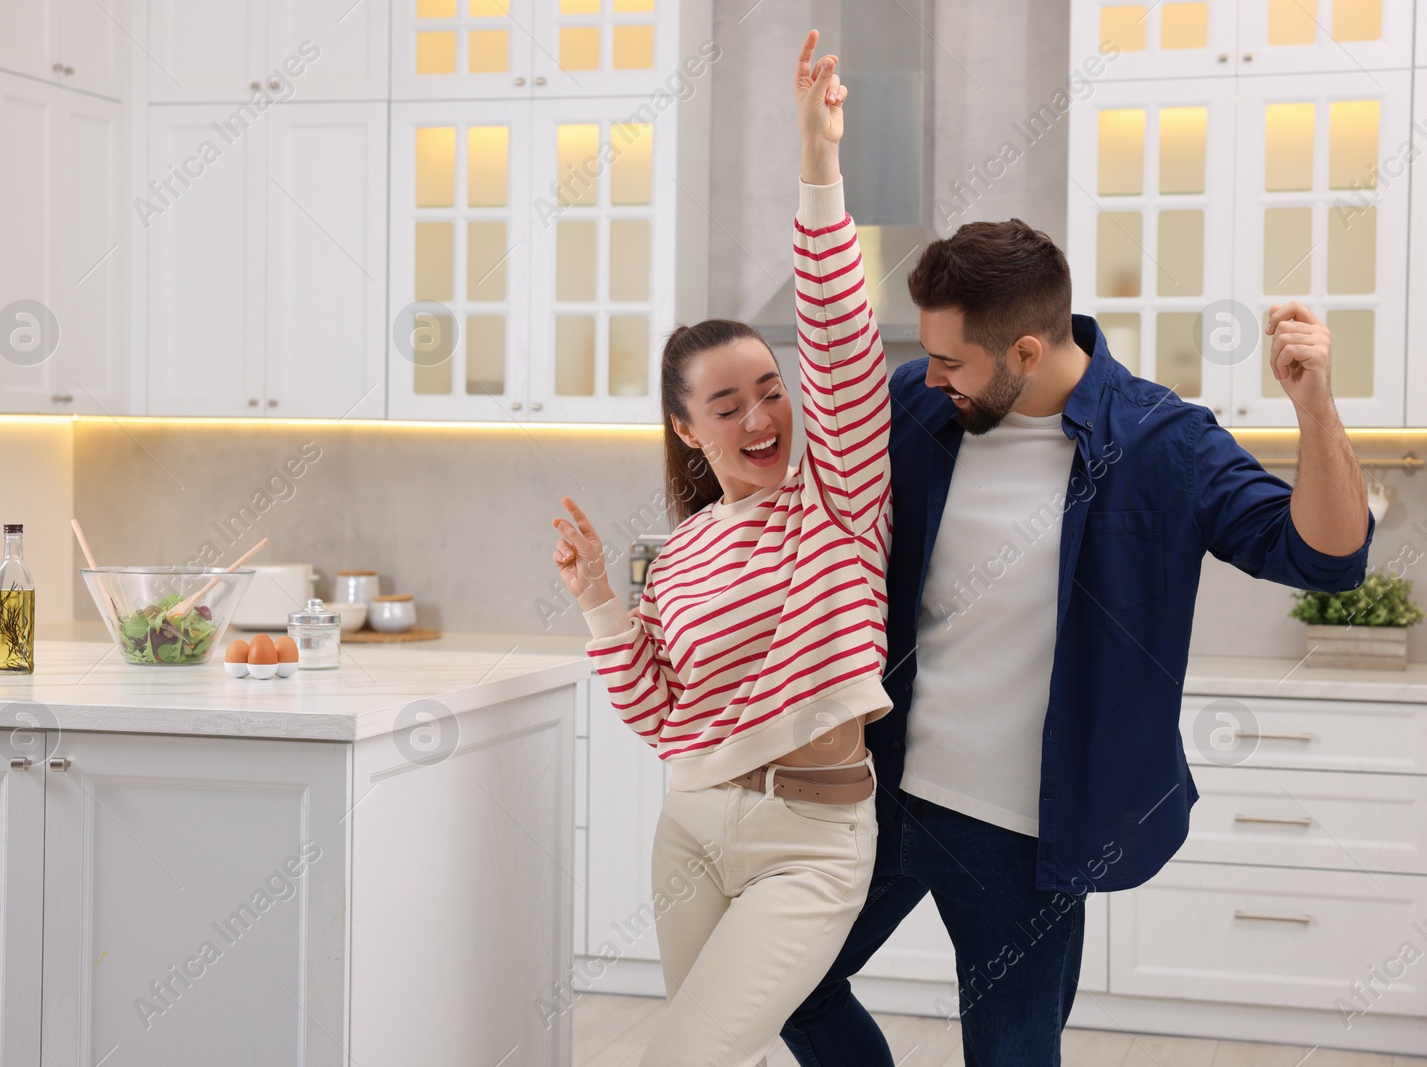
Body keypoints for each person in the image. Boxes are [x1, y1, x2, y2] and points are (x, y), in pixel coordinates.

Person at [780, 197, 1373, 1061]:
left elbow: (1325, 555)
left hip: (1022, 836)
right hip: (883, 793)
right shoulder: (922, 404)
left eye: (950, 359)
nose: (930, 373)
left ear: (1026, 351)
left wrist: (1315, 409)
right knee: (790, 985)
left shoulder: (1162, 440)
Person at [549, 30, 893, 1065]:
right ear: (689, 430)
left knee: (675, 1055)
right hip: (690, 827)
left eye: (770, 387)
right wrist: (601, 598)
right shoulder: (687, 546)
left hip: (811, 841)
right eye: (726, 402)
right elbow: (658, 712)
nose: (761, 413)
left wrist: (817, 158)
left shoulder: (835, 497)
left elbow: (835, 332)